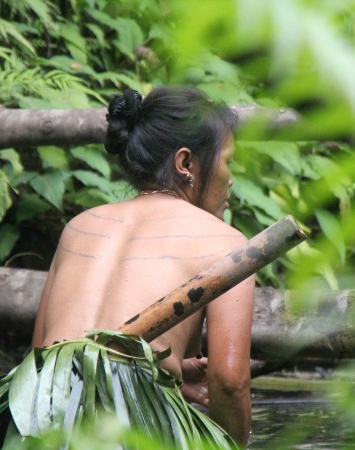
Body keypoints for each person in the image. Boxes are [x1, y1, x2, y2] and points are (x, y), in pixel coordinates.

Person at [33, 86, 255, 448]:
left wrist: (168, 373)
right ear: (185, 164)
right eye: (227, 161)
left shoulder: (78, 226)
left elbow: (40, 361)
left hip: (41, 420)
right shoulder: (225, 243)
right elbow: (230, 382)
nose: (230, 178)